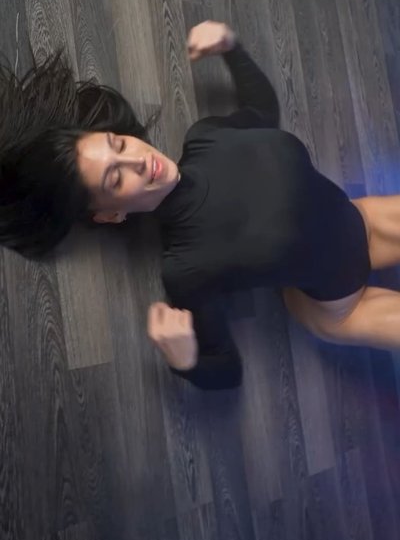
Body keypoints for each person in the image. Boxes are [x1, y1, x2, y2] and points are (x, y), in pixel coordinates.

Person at [1, 21, 400, 389]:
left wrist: (231, 47)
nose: (137, 160)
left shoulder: (206, 137)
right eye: (115, 178)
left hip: (362, 219)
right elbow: (227, 370)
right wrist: (186, 361)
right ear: (110, 214)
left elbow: (263, 113)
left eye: (118, 144)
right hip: (340, 303)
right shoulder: (187, 268)